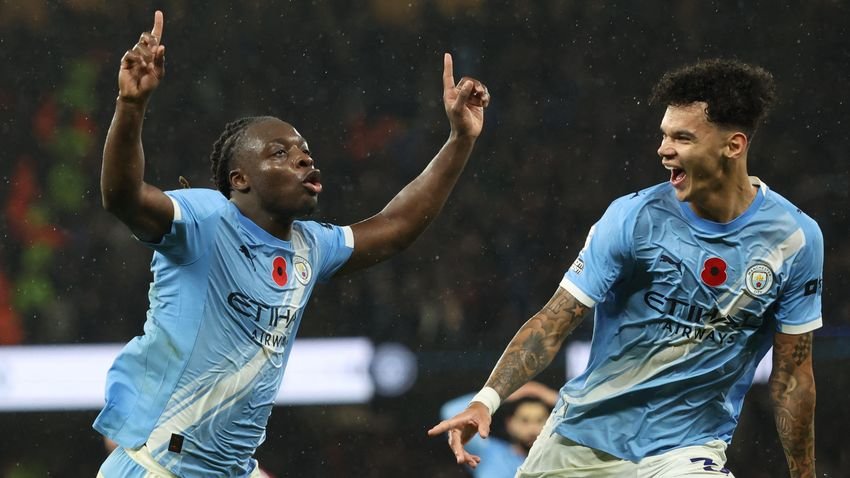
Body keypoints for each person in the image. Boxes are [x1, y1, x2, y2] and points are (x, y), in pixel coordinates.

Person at [94, 10, 489, 478]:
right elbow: (122, 197)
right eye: (279, 153)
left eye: (304, 151)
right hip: (158, 464)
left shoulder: (310, 246)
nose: (302, 158)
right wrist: (131, 104)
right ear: (239, 179)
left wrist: (460, 139)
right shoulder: (206, 219)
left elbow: (397, 226)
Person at [429, 58, 821, 478]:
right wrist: (486, 400)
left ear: (734, 146)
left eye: (683, 138)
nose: (664, 149)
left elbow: (792, 379)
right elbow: (553, 322)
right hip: (580, 441)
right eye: (664, 135)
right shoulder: (633, 218)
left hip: (684, 453)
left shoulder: (794, 239)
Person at [439, 382, 557, 478]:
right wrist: (502, 396)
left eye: (539, 420)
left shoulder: (559, 458)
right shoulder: (488, 453)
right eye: (524, 421)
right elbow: (451, 413)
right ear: (510, 424)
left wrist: (543, 393)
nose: (532, 428)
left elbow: (570, 418)